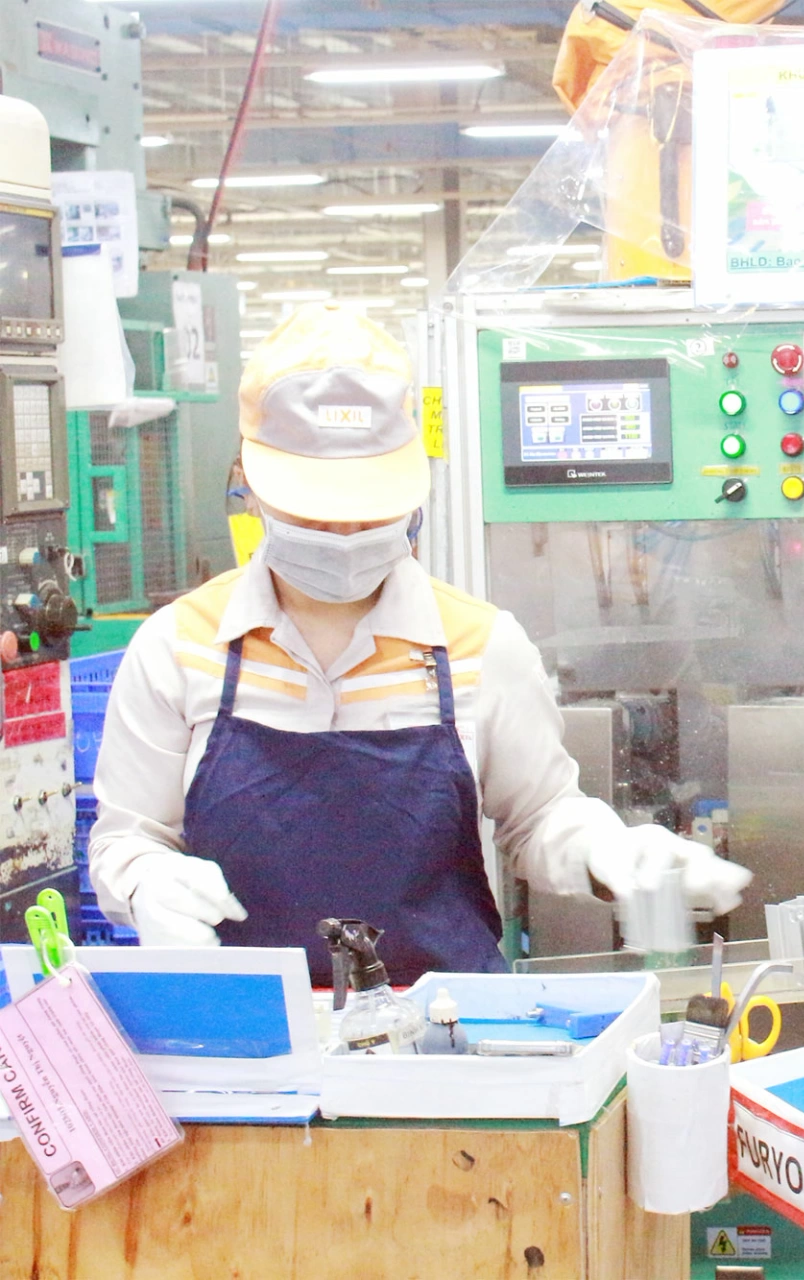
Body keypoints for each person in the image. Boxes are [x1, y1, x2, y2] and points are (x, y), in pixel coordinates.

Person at [89, 303, 750, 986]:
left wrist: (604, 849)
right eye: (314, 508)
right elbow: (126, 838)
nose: (343, 534)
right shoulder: (180, 647)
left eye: (366, 506)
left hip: (445, 1025)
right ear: (248, 484)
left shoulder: (479, 645)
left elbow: (537, 817)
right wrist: (147, 884)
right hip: (253, 1028)